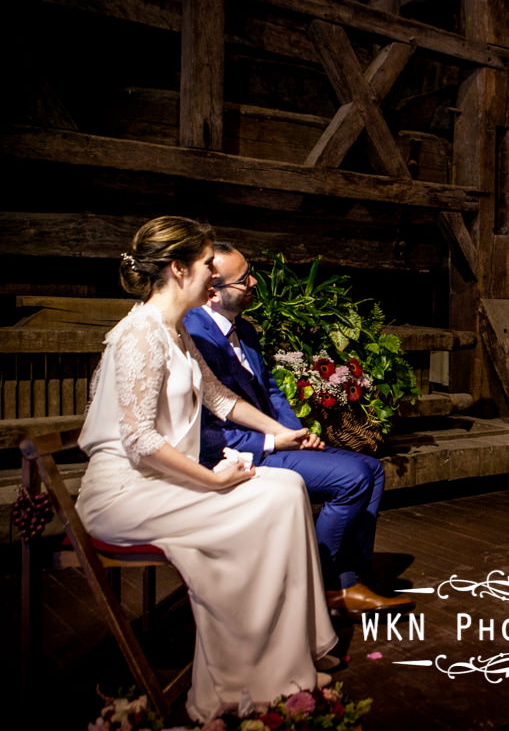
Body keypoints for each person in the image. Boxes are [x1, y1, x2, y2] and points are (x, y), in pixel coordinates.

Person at [76, 217, 337, 722]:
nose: (213, 278)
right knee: (267, 499)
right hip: (123, 495)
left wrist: (279, 433)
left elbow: (219, 398)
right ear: (178, 269)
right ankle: (244, 675)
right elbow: (140, 440)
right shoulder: (140, 336)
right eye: (206, 266)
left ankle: (285, 659)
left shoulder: (174, 333)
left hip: (160, 480)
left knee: (287, 485)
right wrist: (214, 480)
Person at [183, 242, 412, 619]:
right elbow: (210, 424)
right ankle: (322, 584)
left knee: (372, 469)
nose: (254, 282)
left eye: (250, 271)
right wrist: (274, 440)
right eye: (244, 280)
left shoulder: (246, 331)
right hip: (233, 450)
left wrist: (298, 433)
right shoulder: (197, 337)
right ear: (213, 291)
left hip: (275, 438)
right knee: (352, 478)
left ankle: (347, 579)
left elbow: (270, 391)